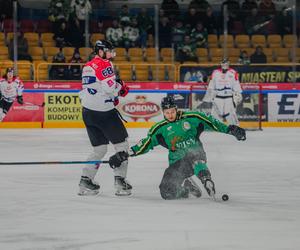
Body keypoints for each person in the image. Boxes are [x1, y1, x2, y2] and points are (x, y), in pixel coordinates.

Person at [108, 96, 246, 200]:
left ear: (176, 109)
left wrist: (230, 129)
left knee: (195, 158)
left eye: (172, 111)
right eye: (166, 113)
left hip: (196, 155)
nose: (170, 115)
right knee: (166, 192)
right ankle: (185, 188)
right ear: (163, 112)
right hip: (177, 164)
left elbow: (212, 123)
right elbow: (145, 144)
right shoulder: (160, 129)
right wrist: (124, 154)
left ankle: (206, 180)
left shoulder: (192, 117)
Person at [78, 40, 131, 196]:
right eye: (109, 51)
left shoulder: (88, 66)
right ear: (100, 51)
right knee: (122, 146)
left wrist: (113, 89)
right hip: (104, 114)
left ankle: (85, 181)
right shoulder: (105, 64)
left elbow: (95, 88)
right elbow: (109, 89)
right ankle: (120, 183)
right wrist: (120, 87)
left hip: (88, 113)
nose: (111, 54)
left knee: (99, 149)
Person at [202, 59, 242, 125]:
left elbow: (236, 85)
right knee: (215, 114)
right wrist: (210, 96)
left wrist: (238, 95)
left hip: (229, 97)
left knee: (231, 114)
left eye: (226, 63)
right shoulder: (215, 73)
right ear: (221, 64)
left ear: (228, 64)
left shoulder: (233, 72)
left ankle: (235, 128)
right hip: (218, 97)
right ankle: (216, 127)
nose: (224, 65)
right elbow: (211, 85)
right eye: (223, 63)